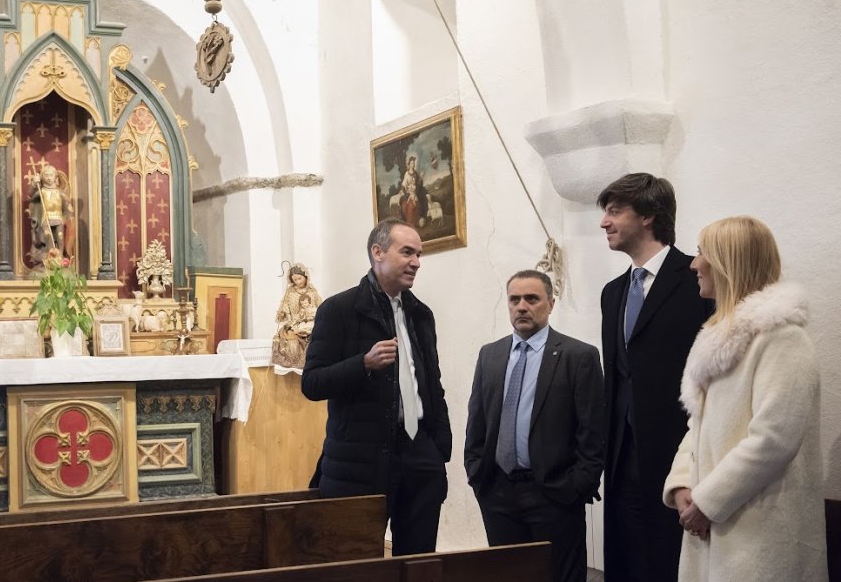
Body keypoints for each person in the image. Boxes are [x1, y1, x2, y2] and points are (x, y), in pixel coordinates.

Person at [663, 216, 825, 581]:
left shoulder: (782, 338)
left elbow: (774, 439)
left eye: (703, 252)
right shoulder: (719, 337)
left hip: (758, 531)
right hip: (715, 524)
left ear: (727, 261)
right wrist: (684, 485)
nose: (693, 263)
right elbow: (697, 421)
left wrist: (708, 502)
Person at [302, 218, 452, 556]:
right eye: (407, 252)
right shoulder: (339, 309)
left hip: (419, 458)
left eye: (419, 255)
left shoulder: (421, 315)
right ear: (378, 252)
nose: (416, 262)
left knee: (417, 563)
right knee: (355, 563)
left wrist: (439, 447)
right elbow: (311, 383)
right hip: (359, 462)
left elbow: (431, 385)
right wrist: (363, 363)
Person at [598, 173, 714, 582]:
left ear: (648, 215)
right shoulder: (612, 293)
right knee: (627, 562)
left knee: (670, 566)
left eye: (614, 211)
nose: (604, 222)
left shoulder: (697, 279)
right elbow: (616, 378)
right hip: (622, 458)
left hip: (678, 459)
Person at [465, 270, 604, 582]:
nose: (522, 307)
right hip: (497, 491)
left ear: (550, 304)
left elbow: (593, 432)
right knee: (508, 575)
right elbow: (477, 422)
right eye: (515, 299)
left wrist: (578, 485)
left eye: (532, 299)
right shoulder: (491, 355)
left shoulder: (578, 356)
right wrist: (477, 473)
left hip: (554, 495)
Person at [272, 264, 323, 370]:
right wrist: (282, 313)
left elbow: (321, 307)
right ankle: (296, 363)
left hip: (312, 323)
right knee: (291, 339)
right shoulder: (290, 292)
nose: (298, 282)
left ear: (305, 276)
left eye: (300, 278)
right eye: (295, 280)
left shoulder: (312, 291)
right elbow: (285, 307)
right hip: (295, 324)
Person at [28, 163, 73, 263]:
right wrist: (34, 184)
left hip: (58, 218)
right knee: (48, 238)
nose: (49, 178)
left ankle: (60, 257)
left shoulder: (60, 192)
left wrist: (68, 217)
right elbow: (30, 195)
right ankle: (51, 258)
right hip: (46, 219)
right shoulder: (42, 191)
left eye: (51, 175)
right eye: (46, 175)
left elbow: (67, 205)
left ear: (56, 177)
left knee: (60, 237)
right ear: (42, 178)